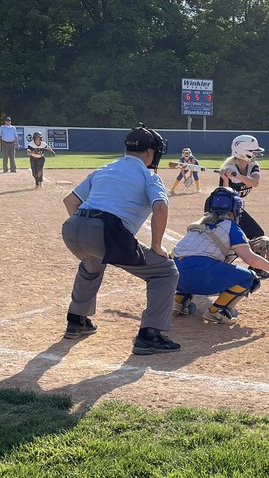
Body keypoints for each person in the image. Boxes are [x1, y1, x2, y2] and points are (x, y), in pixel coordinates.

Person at [60, 124, 180, 355]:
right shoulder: (149, 176)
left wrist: (86, 228)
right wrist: (156, 245)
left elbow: (70, 202)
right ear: (150, 152)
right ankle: (150, 335)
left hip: (72, 228)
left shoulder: (104, 169)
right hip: (106, 231)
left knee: (91, 264)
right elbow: (161, 207)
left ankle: (76, 321)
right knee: (165, 272)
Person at [171, 187, 269, 323]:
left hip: (173, 277)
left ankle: (179, 301)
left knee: (191, 263)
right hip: (201, 275)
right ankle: (217, 311)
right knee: (249, 278)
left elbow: (177, 253)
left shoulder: (196, 224)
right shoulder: (230, 226)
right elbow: (250, 258)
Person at [219, 134, 269, 277]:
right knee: (227, 241)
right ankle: (218, 266)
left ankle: (256, 269)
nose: (256, 154)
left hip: (237, 209)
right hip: (223, 210)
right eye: (253, 152)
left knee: (258, 236)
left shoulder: (252, 167)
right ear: (243, 153)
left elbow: (254, 183)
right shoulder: (228, 168)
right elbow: (225, 194)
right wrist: (225, 178)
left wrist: (237, 175)